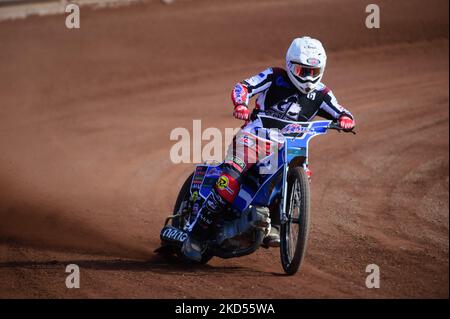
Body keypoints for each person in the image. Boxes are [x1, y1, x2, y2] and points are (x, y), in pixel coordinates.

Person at [182, 36, 355, 261]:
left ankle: (273, 223)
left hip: (289, 146)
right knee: (230, 179)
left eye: (314, 71)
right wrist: (241, 104)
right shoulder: (275, 76)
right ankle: (197, 234)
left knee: (302, 174)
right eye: (303, 71)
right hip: (253, 138)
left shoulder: (321, 93)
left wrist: (346, 119)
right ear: (291, 66)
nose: (309, 78)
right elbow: (243, 86)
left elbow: (343, 111)